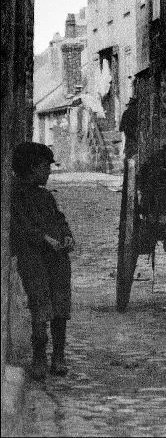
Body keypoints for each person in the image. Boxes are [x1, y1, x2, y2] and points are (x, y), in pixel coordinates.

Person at [11, 142, 75, 380]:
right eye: (45, 166)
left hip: (57, 257)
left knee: (60, 304)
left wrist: (67, 236)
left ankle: (58, 356)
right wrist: (44, 239)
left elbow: (59, 219)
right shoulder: (16, 196)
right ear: (31, 168)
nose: (48, 171)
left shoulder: (45, 196)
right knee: (40, 303)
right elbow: (20, 228)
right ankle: (39, 355)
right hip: (32, 257)